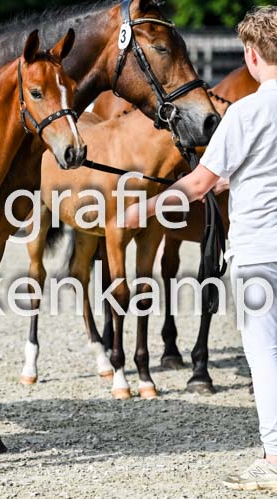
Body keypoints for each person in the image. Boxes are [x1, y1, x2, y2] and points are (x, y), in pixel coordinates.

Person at [125, 6, 277, 491]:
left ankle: (274, 459)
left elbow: (196, 185)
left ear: (251, 57)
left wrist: (144, 210)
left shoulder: (244, 113)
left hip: (259, 253)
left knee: (265, 356)